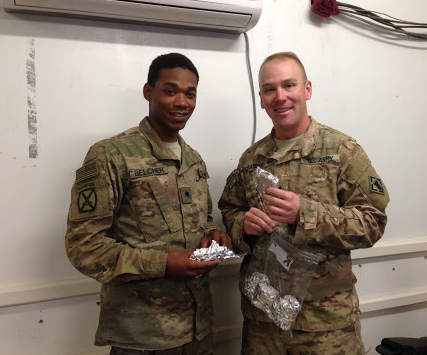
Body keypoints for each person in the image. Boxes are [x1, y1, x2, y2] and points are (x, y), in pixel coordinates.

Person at [218, 52, 390, 354]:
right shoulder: (251, 158)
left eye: (289, 85)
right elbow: (230, 208)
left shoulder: (342, 151)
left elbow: (373, 222)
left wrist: (305, 213)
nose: (280, 97)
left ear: (307, 89)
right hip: (264, 322)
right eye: (270, 89)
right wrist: (242, 226)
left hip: (325, 326)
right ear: (261, 98)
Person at [65, 52, 231, 355]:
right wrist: (163, 264)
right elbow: (83, 246)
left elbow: (201, 220)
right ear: (148, 92)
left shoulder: (193, 160)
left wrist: (212, 234)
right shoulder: (111, 155)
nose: (182, 102)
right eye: (170, 91)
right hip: (142, 337)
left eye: (190, 93)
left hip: (199, 329)